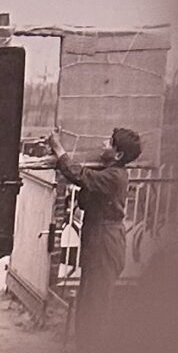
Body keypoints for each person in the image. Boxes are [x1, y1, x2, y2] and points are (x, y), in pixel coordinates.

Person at [52, 125, 142, 335]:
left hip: (105, 241)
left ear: (118, 155)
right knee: (88, 300)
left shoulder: (115, 176)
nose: (103, 144)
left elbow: (77, 174)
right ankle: (85, 347)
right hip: (98, 238)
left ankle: (91, 349)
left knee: (95, 303)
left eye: (109, 143)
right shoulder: (109, 172)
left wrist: (58, 148)